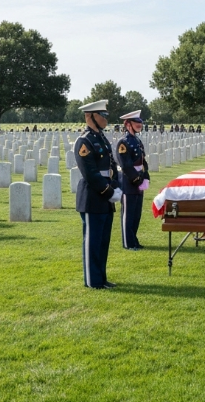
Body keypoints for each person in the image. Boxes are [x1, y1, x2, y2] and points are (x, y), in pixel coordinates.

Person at [74, 100, 122, 289]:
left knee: (103, 242)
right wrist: (109, 191)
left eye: (106, 115)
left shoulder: (102, 139)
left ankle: (101, 278)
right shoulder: (84, 141)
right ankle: (93, 281)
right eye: (102, 115)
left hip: (106, 197)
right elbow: (90, 173)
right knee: (92, 242)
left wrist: (116, 186)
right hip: (93, 197)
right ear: (90, 116)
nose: (105, 119)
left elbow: (112, 166)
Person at [116, 110, 150, 250]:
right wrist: (136, 179)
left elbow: (143, 160)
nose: (139, 125)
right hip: (129, 183)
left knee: (136, 214)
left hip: (139, 181)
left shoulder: (137, 141)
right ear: (128, 124)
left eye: (140, 123)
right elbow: (125, 165)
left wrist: (145, 175)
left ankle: (134, 240)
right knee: (128, 215)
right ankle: (128, 243)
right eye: (136, 123)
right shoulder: (123, 143)